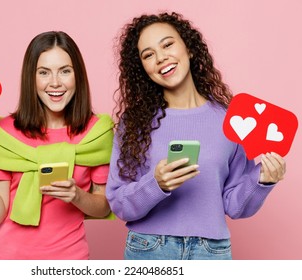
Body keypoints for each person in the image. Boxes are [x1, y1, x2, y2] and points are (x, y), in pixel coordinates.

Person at [106, 12, 286, 260]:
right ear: (143, 69)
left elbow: (234, 206)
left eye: (168, 44)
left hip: (211, 252)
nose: (161, 58)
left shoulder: (229, 120)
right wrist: (156, 184)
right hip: (149, 250)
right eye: (148, 55)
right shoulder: (135, 123)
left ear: (189, 48)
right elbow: (118, 203)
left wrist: (263, 180)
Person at [0, 31, 114, 260]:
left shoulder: (96, 133)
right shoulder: (6, 133)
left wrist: (76, 195)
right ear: (31, 78)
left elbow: (104, 207)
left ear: (77, 75)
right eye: (44, 72)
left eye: (65, 71)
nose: (55, 83)